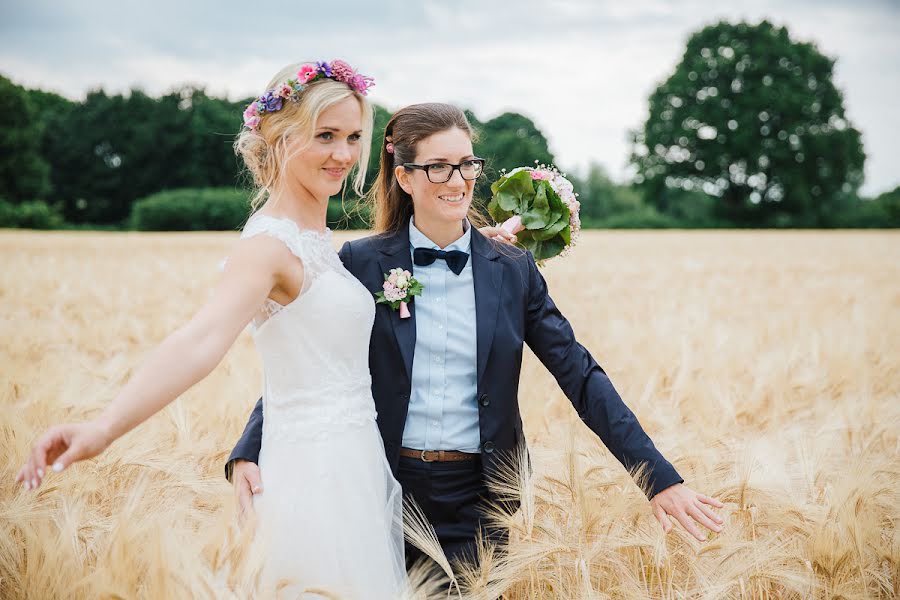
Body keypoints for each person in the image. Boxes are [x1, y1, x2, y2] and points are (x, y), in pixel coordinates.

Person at [15, 60, 447, 599]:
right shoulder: (268, 247)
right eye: (325, 136)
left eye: (354, 136)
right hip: (312, 475)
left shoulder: (314, 234)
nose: (343, 154)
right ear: (279, 137)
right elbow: (201, 340)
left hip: (353, 464)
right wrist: (103, 429)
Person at [228, 102, 725, 568]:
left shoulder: (511, 270)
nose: (458, 180)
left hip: (483, 497)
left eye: (467, 164)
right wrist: (251, 445)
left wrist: (658, 478)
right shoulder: (362, 261)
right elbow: (312, 357)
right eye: (438, 166)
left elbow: (580, 374)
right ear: (404, 176)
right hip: (379, 485)